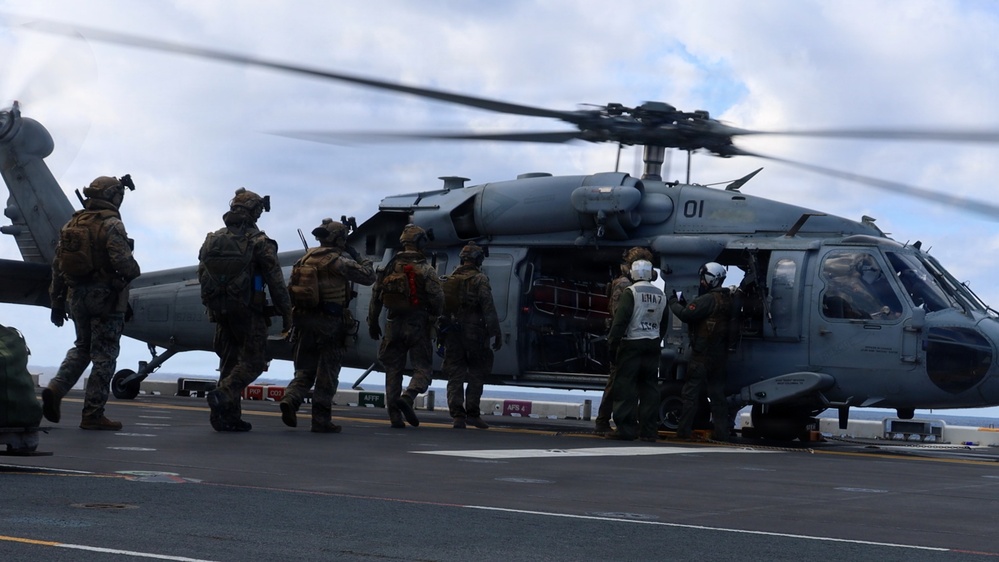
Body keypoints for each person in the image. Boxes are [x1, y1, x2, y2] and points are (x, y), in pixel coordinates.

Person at [43, 175, 141, 430]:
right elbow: (123, 263)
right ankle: (93, 414)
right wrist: (133, 271)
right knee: (104, 355)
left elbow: (57, 267)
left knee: (82, 347)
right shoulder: (111, 225)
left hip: (76, 298)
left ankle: (56, 387)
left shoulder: (71, 225)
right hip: (106, 299)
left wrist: (56, 302)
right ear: (111, 197)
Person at [199, 188, 291, 432]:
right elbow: (276, 282)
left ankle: (225, 419)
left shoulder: (212, 239)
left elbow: (202, 274)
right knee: (254, 361)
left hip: (220, 311)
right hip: (249, 311)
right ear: (254, 212)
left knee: (229, 363)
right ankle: (223, 393)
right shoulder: (259, 242)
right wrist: (287, 313)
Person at [279, 218, 375, 433]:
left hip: (303, 321)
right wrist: (359, 256)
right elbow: (369, 277)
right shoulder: (337, 262)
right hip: (330, 324)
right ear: (339, 239)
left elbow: (290, 289)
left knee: (304, 370)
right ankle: (321, 420)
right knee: (327, 373)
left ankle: (290, 398)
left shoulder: (303, 260)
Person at [366, 224, 443, 428]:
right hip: (417, 325)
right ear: (420, 243)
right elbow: (438, 299)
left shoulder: (388, 268)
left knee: (393, 370)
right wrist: (435, 316)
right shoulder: (426, 270)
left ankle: (394, 417)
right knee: (423, 369)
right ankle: (408, 396)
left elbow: (376, 298)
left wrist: (373, 323)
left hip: (393, 324)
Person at [668, 261, 732, 441]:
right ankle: (722, 433)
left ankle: (683, 431)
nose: (702, 282)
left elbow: (687, 315)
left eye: (704, 279)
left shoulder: (707, 299)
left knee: (690, 394)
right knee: (718, 395)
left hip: (701, 356)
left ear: (711, 279)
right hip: (719, 356)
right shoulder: (727, 300)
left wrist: (673, 301)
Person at [440, 242, 502, 429]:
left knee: (455, 374)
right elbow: (488, 308)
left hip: (453, 333)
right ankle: (473, 414)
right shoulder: (480, 279)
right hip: (475, 335)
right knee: (476, 373)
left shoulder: (450, 278)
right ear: (478, 259)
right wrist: (495, 333)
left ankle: (458, 415)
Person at [595, 247, 655, 435]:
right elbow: (617, 314)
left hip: (632, 339)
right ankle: (603, 421)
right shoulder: (623, 285)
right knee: (616, 382)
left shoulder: (635, 286)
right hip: (624, 339)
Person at [605, 259, 667, 442]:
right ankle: (648, 431)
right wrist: (656, 339)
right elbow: (664, 323)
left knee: (626, 387)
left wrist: (612, 344)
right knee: (649, 388)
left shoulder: (631, 292)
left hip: (631, 344)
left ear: (633, 273)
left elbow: (621, 321)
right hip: (653, 344)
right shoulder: (661, 294)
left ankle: (625, 429)